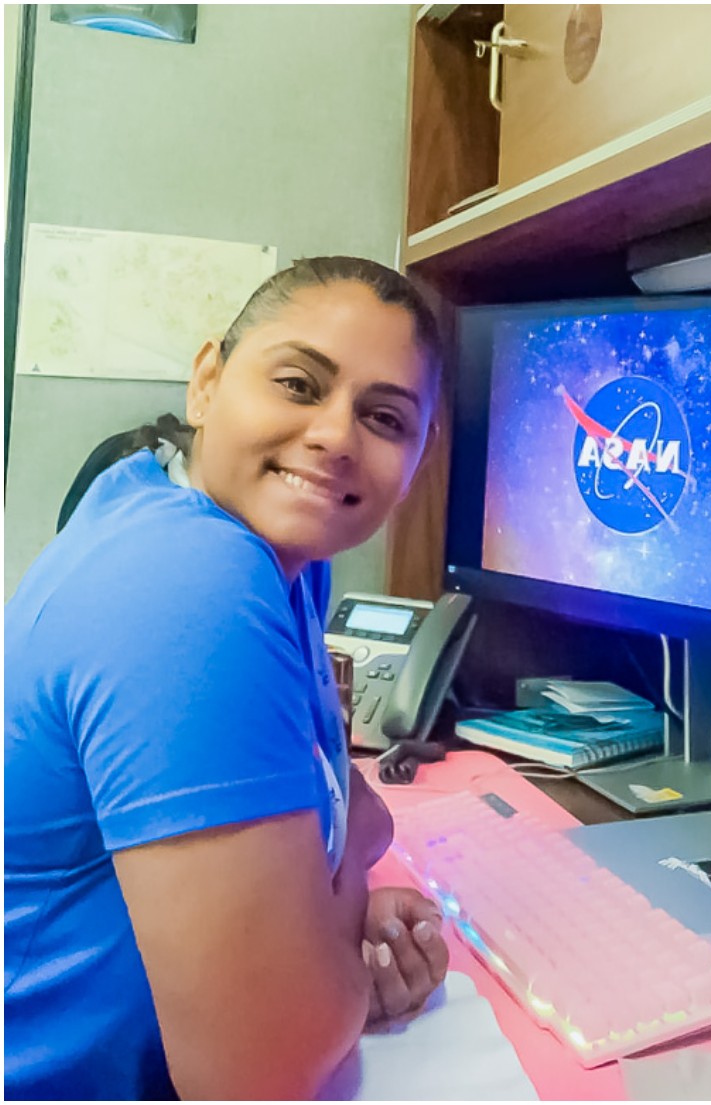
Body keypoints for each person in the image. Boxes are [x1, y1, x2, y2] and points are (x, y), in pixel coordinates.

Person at [6, 257, 454, 1099]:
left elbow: (335, 800)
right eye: (297, 382)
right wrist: (349, 885)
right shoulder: (187, 579)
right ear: (207, 381)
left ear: (420, 455)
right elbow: (260, 1072)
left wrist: (330, 935)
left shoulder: (275, 550)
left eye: (385, 418)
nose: (334, 435)